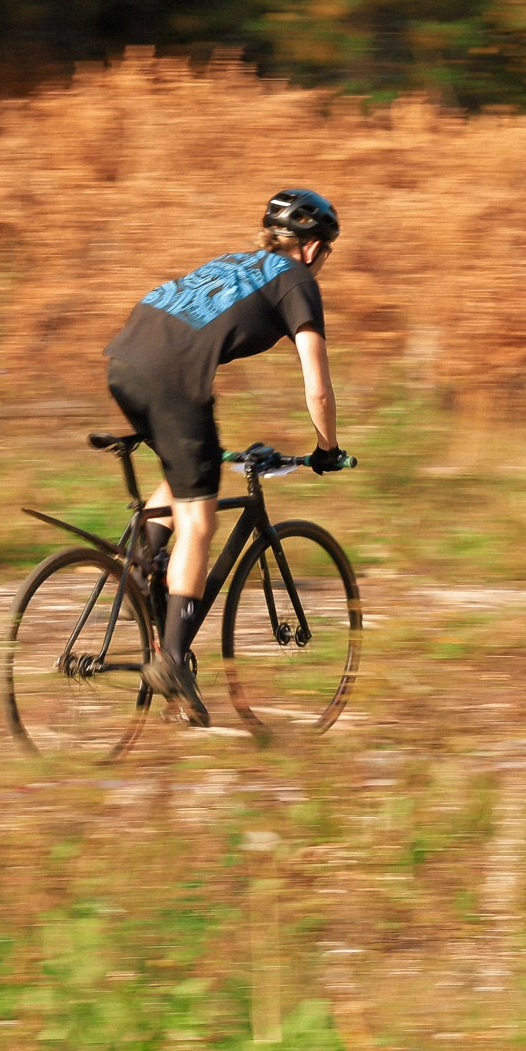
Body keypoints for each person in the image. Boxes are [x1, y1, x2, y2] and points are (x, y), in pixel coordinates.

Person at [104, 189, 351, 725]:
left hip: (125, 358)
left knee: (193, 470)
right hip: (171, 378)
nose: (323, 263)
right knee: (200, 518)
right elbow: (319, 386)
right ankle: (171, 658)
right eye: (326, 252)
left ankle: (140, 573)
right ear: (311, 249)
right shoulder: (299, 280)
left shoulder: (236, 263)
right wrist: (327, 448)